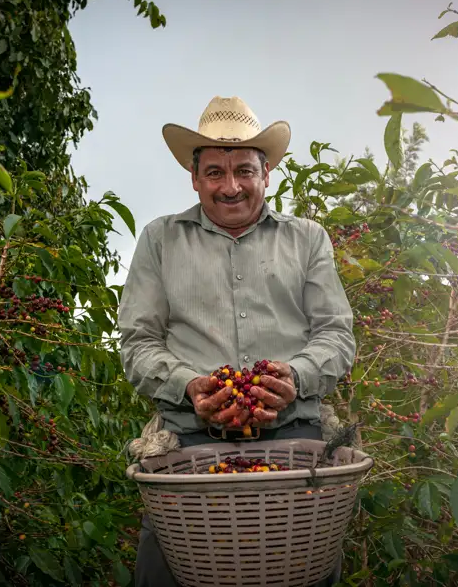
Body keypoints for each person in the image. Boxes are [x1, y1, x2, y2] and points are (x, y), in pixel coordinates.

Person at [118, 95, 356, 587]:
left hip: (294, 441)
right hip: (187, 442)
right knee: (165, 574)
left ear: (266, 175)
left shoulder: (307, 239)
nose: (231, 187)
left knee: (302, 568)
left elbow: (336, 334)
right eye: (214, 172)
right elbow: (138, 343)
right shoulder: (161, 240)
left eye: (244, 170)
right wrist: (189, 387)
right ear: (194, 176)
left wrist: (297, 376)